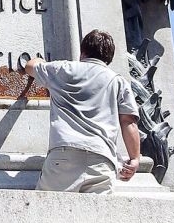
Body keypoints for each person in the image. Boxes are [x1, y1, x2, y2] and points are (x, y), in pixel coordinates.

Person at [25, 29, 147, 193]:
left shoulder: (64, 69)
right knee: (96, 217)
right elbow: (128, 122)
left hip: (64, 154)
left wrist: (40, 60)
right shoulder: (118, 81)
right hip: (102, 159)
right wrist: (134, 158)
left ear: (82, 51)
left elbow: (30, 67)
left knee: (48, 214)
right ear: (109, 58)